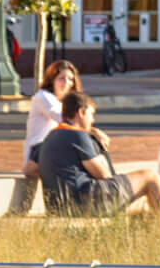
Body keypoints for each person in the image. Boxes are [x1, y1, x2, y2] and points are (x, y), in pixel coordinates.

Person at [35, 91, 160, 221]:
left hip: (60, 207)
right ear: (81, 112)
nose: (92, 120)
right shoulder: (77, 136)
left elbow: (30, 169)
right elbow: (104, 176)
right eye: (91, 114)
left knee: (144, 204)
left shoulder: (50, 137)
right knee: (150, 176)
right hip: (85, 201)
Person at [11, 60, 101, 215]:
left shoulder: (65, 102)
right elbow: (66, 119)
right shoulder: (42, 97)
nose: (66, 83)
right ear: (51, 80)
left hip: (59, 149)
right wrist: (94, 132)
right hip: (40, 150)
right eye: (61, 78)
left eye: (70, 79)